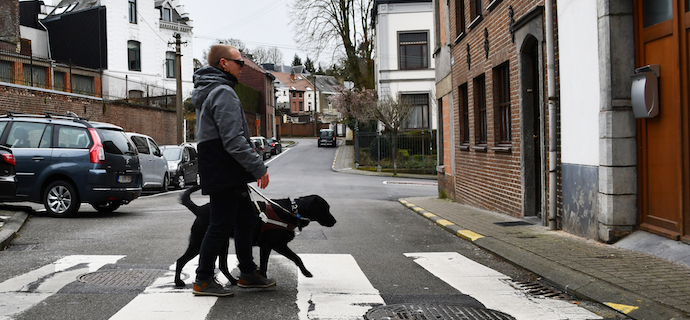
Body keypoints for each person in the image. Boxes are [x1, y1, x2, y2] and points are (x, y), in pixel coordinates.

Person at [190, 44, 274, 297]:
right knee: (219, 225)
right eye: (240, 62)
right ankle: (203, 279)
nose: (243, 66)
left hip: (220, 167)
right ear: (224, 63)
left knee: (245, 218)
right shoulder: (223, 91)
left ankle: (247, 272)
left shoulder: (208, 90)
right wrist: (259, 168)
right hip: (225, 168)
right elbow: (233, 140)